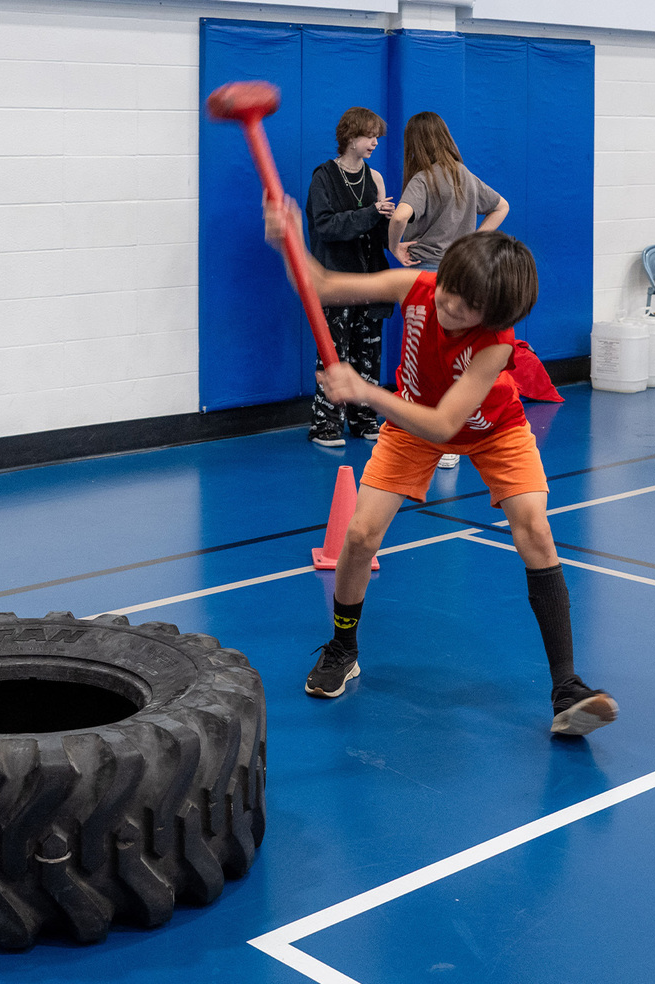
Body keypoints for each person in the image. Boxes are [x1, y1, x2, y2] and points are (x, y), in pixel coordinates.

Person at [265, 199, 618, 737]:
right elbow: (323, 285)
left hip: (492, 427)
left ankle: (567, 689)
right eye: (450, 289)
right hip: (411, 421)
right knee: (359, 536)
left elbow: (443, 423)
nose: (449, 305)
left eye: (468, 305)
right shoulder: (419, 288)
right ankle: (343, 645)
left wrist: (364, 391)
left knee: (535, 530)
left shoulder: (494, 345)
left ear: (495, 315)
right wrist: (286, 240)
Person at [388, 111, 510, 471]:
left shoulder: (424, 179)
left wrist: (396, 246)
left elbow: (398, 217)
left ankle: (438, 437)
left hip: (429, 281)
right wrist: (472, 244)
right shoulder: (464, 176)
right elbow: (501, 206)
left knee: (425, 360)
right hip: (462, 279)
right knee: (456, 359)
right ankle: (449, 433)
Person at [304, 107, 396, 447]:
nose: (374, 142)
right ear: (350, 137)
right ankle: (325, 425)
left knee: (368, 353)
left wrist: (396, 234)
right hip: (336, 281)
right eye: (369, 135)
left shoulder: (375, 179)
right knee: (334, 354)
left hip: (369, 282)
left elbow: (378, 230)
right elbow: (326, 226)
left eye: (376, 136)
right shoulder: (324, 177)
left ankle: (363, 418)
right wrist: (371, 212)